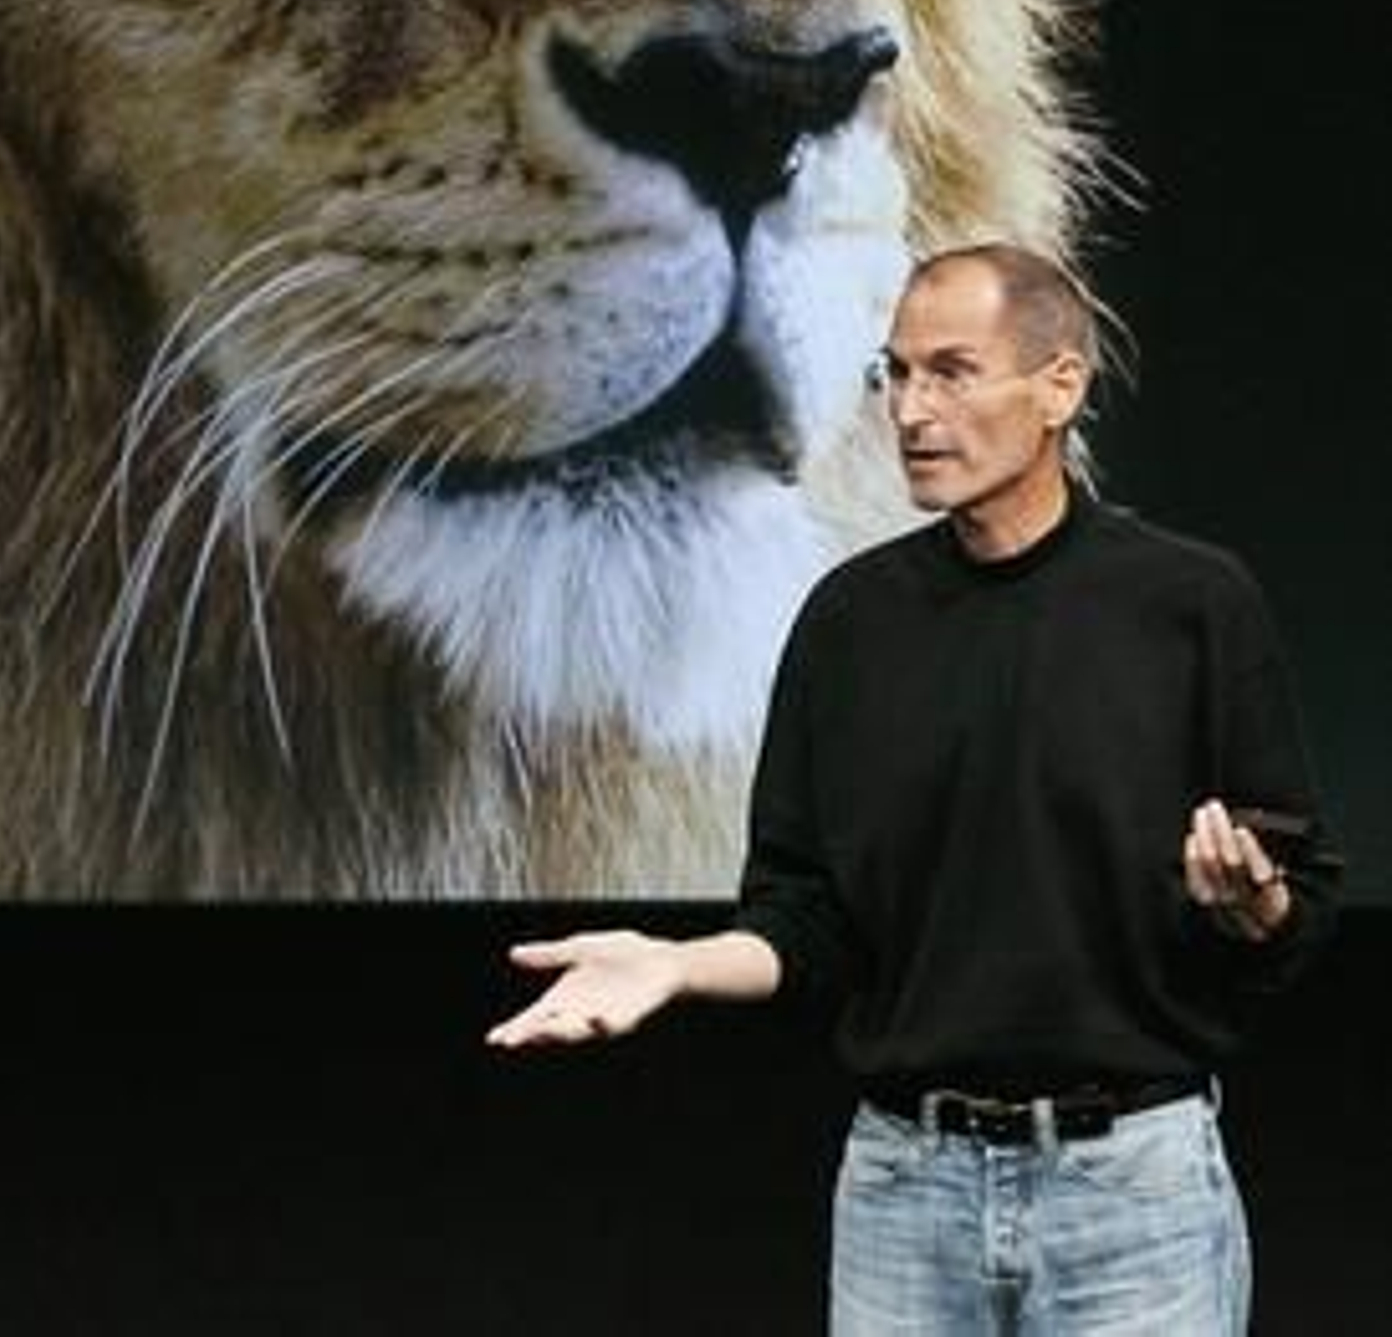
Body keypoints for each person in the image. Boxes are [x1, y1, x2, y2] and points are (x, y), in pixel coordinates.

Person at [486, 242, 1342, 1334]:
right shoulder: (849, 622)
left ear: (1058, 387)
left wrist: (1255, 903)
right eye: (894, 372)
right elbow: (803, 919)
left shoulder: (1190, 604)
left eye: (951, 371)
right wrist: (677, 963)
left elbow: (1297, 905)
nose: (910, 409)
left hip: (1132, 1193)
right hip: (906, 1191)